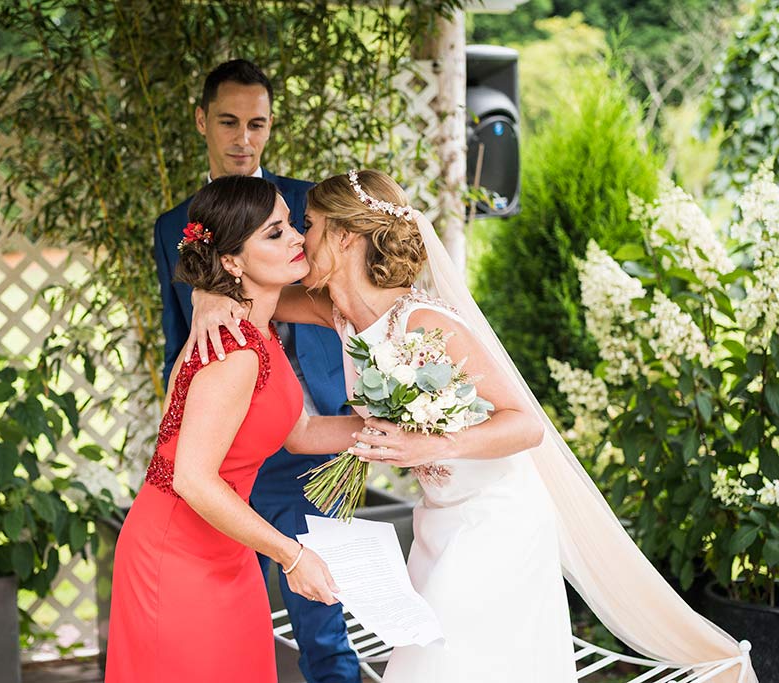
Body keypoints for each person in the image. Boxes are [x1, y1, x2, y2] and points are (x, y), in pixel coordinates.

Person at [186, 170, 759, 683]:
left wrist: (425, 441)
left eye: (307, 225)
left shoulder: (425, 322)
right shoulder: (340, 314)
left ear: (344, 237)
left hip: (497, 520)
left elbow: (526, 425)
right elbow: (255, 292)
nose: (299, 240)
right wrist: (206, 298)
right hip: (438, 520)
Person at [152, 59, 360, 683]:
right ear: (201, 122)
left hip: (314, 431)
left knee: (322, 618)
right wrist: (208, 297)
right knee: (222, 616)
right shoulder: (173, 227)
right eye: (229, 122)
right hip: (228, 447)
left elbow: (344, 297)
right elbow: (179, 335)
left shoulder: (305, 204)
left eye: (258, 124)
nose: (244, 139)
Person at [107, 176, 363, 683]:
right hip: (175, 553)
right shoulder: (233, 350)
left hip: (228, 547)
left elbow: (301, 433)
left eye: (291, 225)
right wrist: (292, 556)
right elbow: (192, 479)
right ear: (231, 262)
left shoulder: (258, 330)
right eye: (274, 233)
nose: (296, 238)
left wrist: (386, 434)